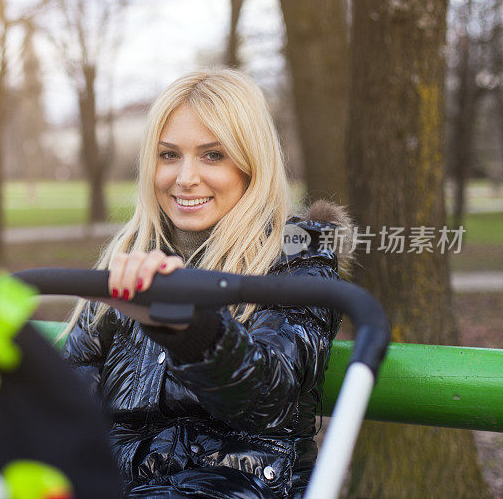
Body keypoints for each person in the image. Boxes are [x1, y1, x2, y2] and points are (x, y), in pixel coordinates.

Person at [61, 68, 353, 498]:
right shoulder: (132, 258)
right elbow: (70, 396)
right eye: (169, 155)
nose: (185, 177)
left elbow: (267, 394)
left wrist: (189, 330)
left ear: (251, 162)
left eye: (212, 155)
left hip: (239, 484)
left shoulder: (296, 258)